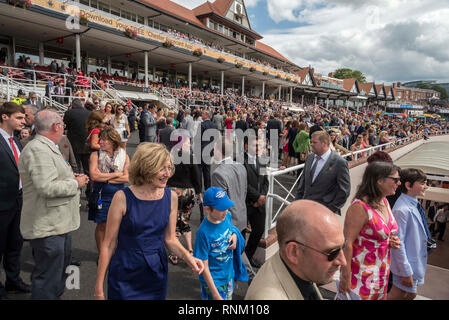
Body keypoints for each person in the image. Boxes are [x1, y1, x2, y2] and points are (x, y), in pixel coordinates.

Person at [94, 143, 204, 300]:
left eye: (169, 168)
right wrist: (98, 288)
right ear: (146, 168)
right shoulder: (122, 197)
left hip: (155, 272)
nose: (167, 174)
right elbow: (109, 244)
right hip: (125, 271)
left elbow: (170, 239)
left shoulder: (171, 197)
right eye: (162, 168)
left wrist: (188, 257)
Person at [18, 109, 89, 299]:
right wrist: (75, 183)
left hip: (57, 224)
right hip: (48, 226)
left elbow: (50, 178)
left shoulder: (46, 147)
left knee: (56, 276)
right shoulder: (38, 149)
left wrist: (70, 176)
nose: (64, 128)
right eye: (63, 125)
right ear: (56, 126)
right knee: (48, 279)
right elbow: (46, 187)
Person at [245, 200, 346, 300]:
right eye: (332, 253)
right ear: (293, 252)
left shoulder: (300, 270)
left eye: (343, 246)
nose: (343, 261)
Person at [339, 161, 401, 300]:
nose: (399, 183)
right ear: (379, 180)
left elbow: (376, 234)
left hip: (381, 274)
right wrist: (345, 275)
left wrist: (390, 241)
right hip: (360, 275)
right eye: (395, 179)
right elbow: (347, 243)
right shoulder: (359, 207)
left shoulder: (384, 201)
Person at [193, 187, 248, 300]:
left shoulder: (226, 216)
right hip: (214, 282)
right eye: (221, 208)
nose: (226, 210)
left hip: (228, 276)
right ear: (208, 209)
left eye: (227, 207)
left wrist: (234, 235)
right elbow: (204, 267)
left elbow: (230, 228)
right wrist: (215, 295)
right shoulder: (203, 233)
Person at [0, 103, 30, 299]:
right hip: (1, 205)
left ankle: (13, 281)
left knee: (14, 245)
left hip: (18, 201)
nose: (24, 121)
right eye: (19, 118)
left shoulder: (16, 141)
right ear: (4, 117)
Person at [389, 168, 430, 300]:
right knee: (399, 295)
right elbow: (398, 244)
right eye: (422, 183)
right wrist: (405, 271)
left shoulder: (413, 204)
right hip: (407, 265)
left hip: (413, 263)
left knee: (410, 294)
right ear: (408, 185)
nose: (426, 186)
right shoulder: (402, 210)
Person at [88, 127, 129, 254]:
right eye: (100, 139)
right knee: (102, 225)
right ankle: (102, 253)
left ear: (112, 141)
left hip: (119, 196)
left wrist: (104, 178)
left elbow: (126, 177)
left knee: (118, 225)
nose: (100, 142)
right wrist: (116, 175)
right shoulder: (95, 155)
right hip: (102, 195)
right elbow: (94, 176)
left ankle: (113, 250)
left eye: (104, 140)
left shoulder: (124, 155)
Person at [167, 134, 202, 264]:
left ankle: (174, 253)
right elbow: (197, 177)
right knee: (185, 221)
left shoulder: (170, 157)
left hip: (172, 192)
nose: (189, 145)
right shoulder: (191, 158)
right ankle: (190, 249)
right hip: (188, 192)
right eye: (187, 143)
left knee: (173, 223)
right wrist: (199, 193)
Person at [296, 130, 351, 215]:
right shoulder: (310, 158)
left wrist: (329, 210)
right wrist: (297, 203)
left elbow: (344, 191)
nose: (311, 144)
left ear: (324, 143)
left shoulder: (339, 162)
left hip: (324, 213)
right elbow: (302, 183)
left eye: (314, 142)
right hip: (305, 209)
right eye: (311, 142)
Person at [211, 136, 247, 234]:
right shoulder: (241, 166)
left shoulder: (218, 173)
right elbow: (244, 192)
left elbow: (220, 203)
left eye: (214, 149)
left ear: (218, 151)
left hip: (228, 224)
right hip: (242, 219)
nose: (213, 152)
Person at [243, 134, 269, 268]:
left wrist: (262, 196)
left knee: (258, 231)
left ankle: (247, 257)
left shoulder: (262, 160)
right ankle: (237, 261)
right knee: (240, 233)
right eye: (255, 145)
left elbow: (266, 181)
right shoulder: (240, 161)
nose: (258, 148)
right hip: (246, 203)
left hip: (259, 204)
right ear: (246, 146)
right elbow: (243, 183)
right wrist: (257, 197)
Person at [200, 110, 218, 190]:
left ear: (207, 115)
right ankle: (207, 187)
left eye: (203, 113)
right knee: (207, 169)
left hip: (202, 149)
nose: (201, 115)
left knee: (200, 170)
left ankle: (199, 188)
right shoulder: (215, 125)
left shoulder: (202, 125)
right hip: (210, 149)